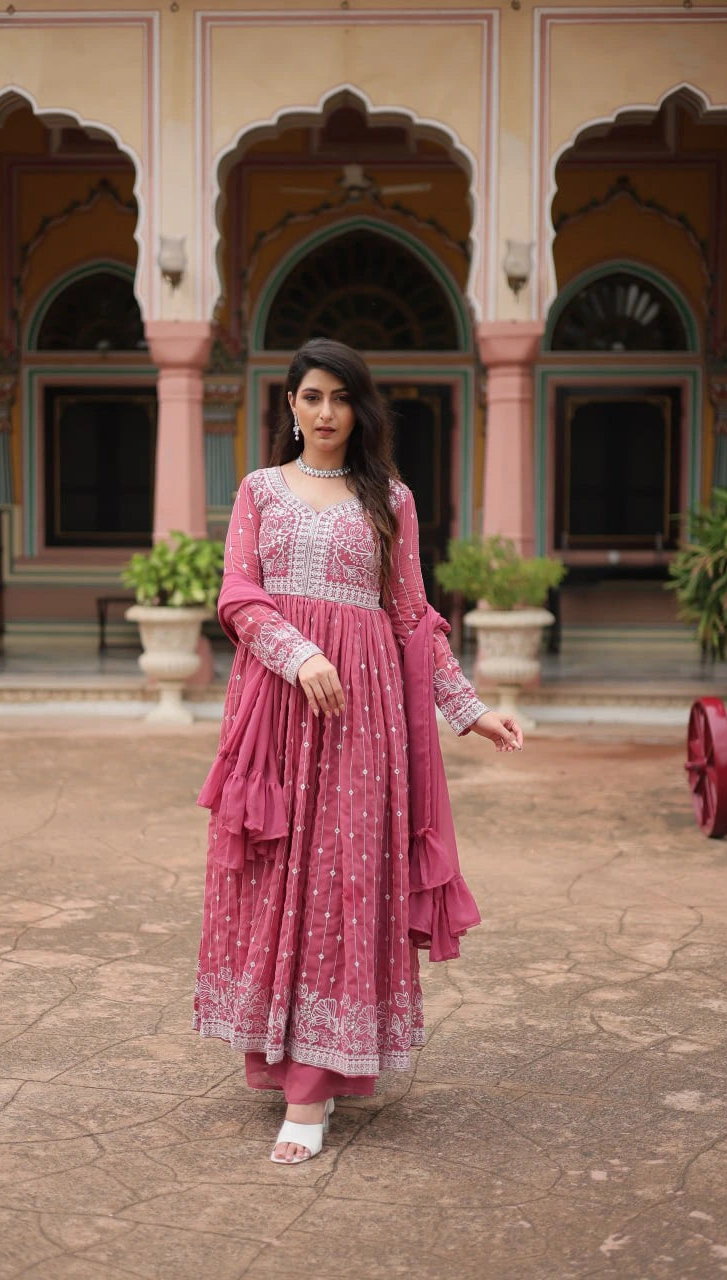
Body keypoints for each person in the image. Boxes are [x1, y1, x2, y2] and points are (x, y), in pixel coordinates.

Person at [193, 338, 522, 1164]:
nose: (326, 412)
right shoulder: (259, 491)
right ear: (290, 406)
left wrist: (469, 710)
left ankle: (314, 1090)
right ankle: (278, 1056)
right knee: (275, 877)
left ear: (360, 408)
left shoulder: (392, 501)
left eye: (340, 397)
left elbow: (411, 616)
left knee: (344, 879)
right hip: (278, 705)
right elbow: (237, 595)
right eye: (311, 396)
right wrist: (298, 653)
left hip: (363, 718)